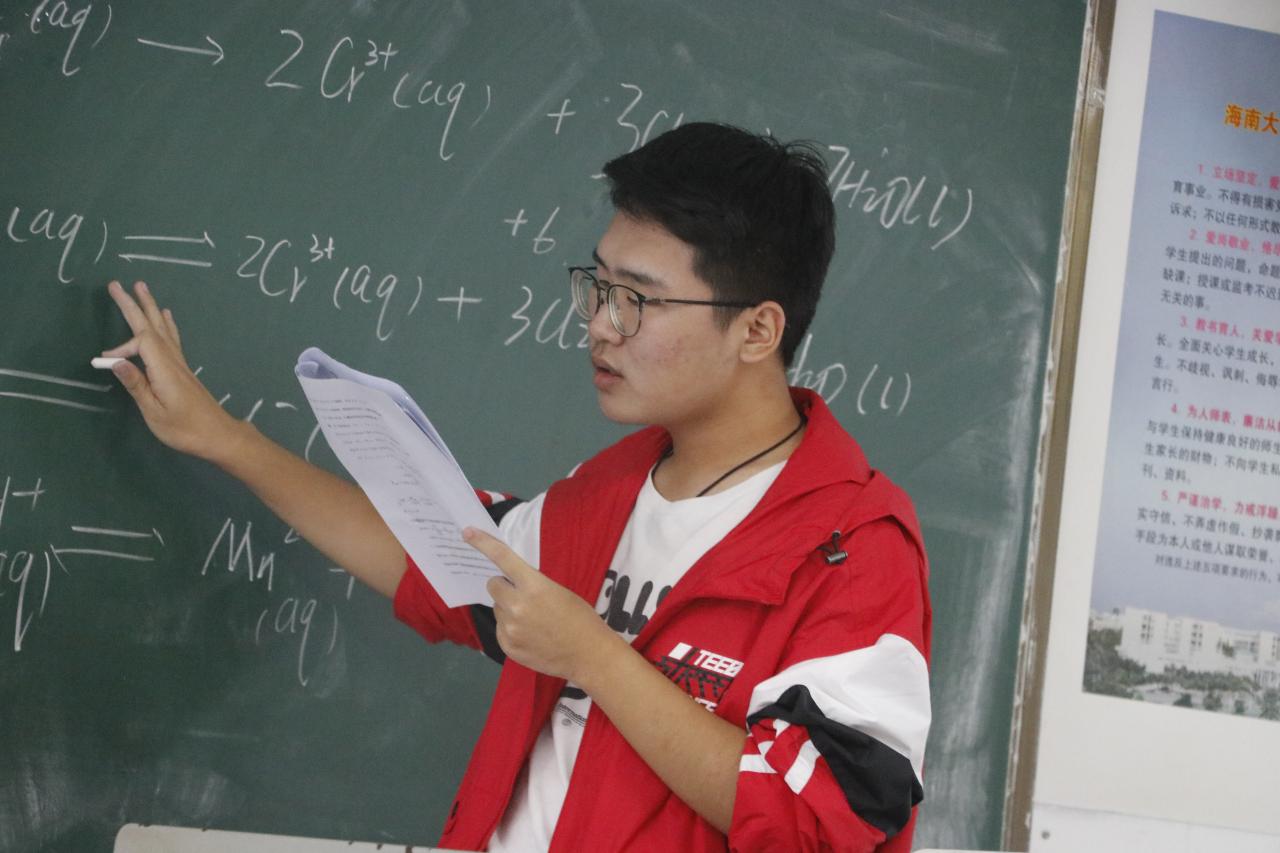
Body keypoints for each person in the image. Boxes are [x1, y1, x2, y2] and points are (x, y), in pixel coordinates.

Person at [103, 122, 931, 852]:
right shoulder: (607, 489)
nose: (600, 323)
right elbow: (435, 558)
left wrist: (594, 654)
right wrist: (225, 439)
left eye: (638, 300)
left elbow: (818, 820)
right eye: (598, 286)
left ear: (757, 329)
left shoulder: (853, 547)